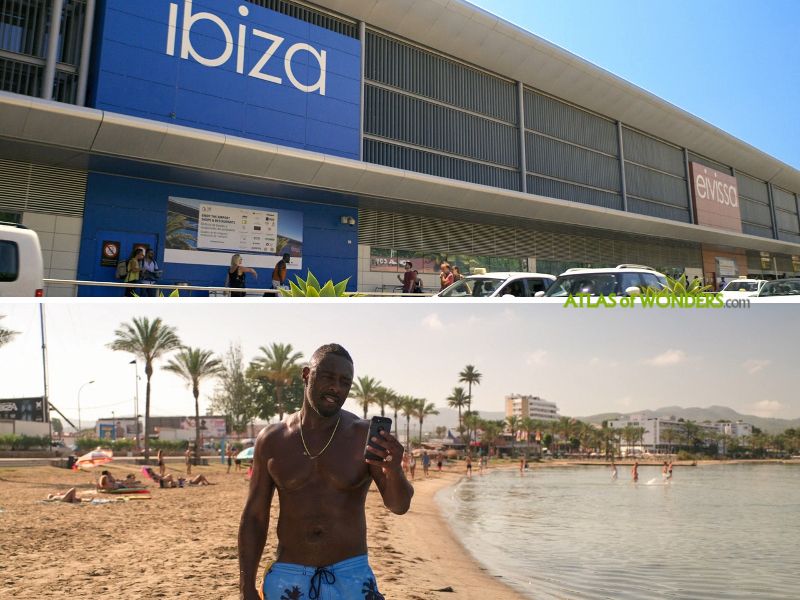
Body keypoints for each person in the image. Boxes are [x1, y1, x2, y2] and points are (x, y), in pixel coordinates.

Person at [238, 344, 413, 600]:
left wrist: (394, 469)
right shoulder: (272, 440)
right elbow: (254, 516)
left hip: (350, 576)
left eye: (345, 382)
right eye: (328, 377)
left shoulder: (362, 435)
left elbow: (399, 505)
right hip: (289, 576)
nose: (336, 388)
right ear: (307, 375)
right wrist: (246, 587)